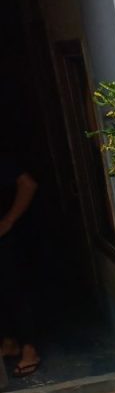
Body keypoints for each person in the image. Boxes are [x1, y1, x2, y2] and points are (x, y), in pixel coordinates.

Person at [0, 148, 42, 378]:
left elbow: (28, 184)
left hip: (7, 238)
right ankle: (9, 342)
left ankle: (29, 349)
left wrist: (8, 220)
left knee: (14, 290)